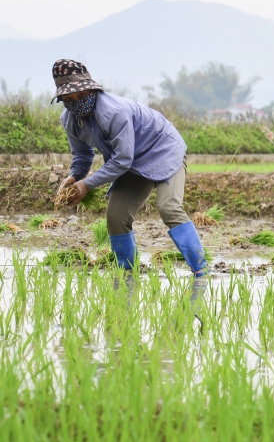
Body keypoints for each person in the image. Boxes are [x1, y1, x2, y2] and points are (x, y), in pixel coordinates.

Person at [51, 59, 208, 303]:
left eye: (80, 95)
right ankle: (128, 273)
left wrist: (87, 185)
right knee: (116, 216)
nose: (75, 103)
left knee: (168, 207)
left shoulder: (114, 112)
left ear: (91, 90)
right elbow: (82, 155)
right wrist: (74, 177)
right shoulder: (69, 120)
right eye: (68, 100)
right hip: (132, 161)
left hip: (163, 150)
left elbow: (122, 161)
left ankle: (201, 271)